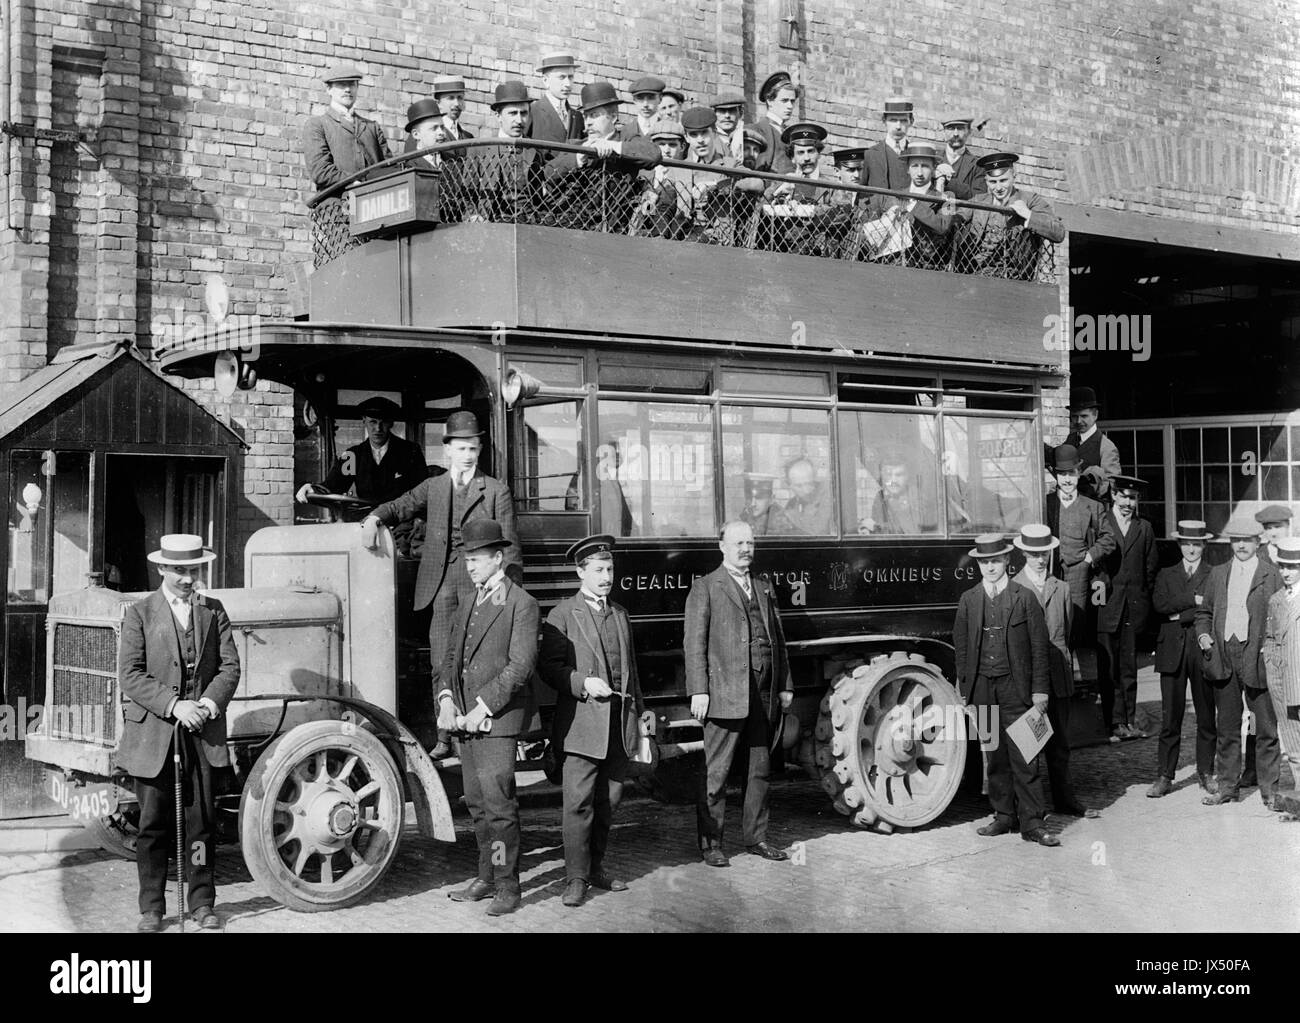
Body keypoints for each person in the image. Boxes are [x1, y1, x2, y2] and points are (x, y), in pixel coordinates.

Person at [362, 410, 521, 758]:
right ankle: (444, 734)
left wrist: (505, 599)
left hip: (481, 592)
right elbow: (401, 506)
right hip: (441, 588)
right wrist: (374, 518)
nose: (467, 456)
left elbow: (511, 553)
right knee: (441, 664)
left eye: (473, 449)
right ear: (447, 450)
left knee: (474, 666)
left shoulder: (495, 492)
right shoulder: (434, 487)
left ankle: (469, 745)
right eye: (461, 449)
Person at [116, 534, 240, 931]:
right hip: (154, 734)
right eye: (180, 571)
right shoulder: (140, 613)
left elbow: (229, 668)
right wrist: (174, 705)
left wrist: (205, 704)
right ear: (162, 570)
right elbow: (130, 675)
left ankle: (202, 903)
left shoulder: (214, 611)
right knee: (152, 825)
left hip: (201, 733)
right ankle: (151, 908)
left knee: (201, 823)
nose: (188, 579)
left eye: (193, 571)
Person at [540, 535, 653, 906]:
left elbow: (632, 674)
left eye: (610, 569)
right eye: (599, 570)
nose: (606, 576)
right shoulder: (561, 614)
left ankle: (596, 870)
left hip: (619, 727)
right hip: (581, 728)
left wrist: (641, 717)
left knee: (610, 801)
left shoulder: (620, 614)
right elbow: (550, 668)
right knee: (578, 805)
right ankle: (575, 879)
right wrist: (582, 682)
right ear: (580, 572)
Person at [436, 519, 539, 916]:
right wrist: (446, 698)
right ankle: (486, 875)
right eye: (468, 560)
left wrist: (481, 707)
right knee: (477, 804)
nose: (471, 567)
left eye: (477, 560)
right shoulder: (470, 600)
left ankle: (508, 887)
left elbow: (519, 667)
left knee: (499, 808)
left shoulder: (521, 604)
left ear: (498, 558)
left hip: (496, 722)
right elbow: (450, 658)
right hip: (464, 721)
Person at [686, 521, 794, 865]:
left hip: (762, 694)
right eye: (738, 544)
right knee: (716, 775)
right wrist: (699, 691)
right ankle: (712, 845)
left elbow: (778, 640)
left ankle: (756, 839)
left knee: (758, 771)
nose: (745, 549)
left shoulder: (763, 587)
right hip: (723, 695)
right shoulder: (706, 587)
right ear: (722, 547)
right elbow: (694, 644)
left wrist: (785, 685)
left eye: (750, 543)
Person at [952, 534, 1058, 847]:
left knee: (1026, 755)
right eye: (984, 562)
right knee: (994, 757)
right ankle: (1003, 816)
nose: (990, 567)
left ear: (1006, 561)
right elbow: (961, 646)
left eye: (995, 561)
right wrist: (966, 688)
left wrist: (1040, 690)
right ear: (978, 565)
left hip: (1018, 689)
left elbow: (1040, 648)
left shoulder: (1024, 597)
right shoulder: (969, 600)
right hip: (982, 688)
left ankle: (1033, 823)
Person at [1195, 517, 1284, 807]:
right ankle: (1227, 788)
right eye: (1236, 540)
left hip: (1257, 657)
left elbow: (1281, 616)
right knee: (1228, 727)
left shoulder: (1271, 574)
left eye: (1247, 540)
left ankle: (1269, 789)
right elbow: (1204, 614)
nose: (1242, 545)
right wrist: (1204, 637)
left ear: (1258, 542)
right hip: (1224, 655)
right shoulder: (1219, 573)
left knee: (1265, 728)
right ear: (1230, 543)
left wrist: (1270, 647)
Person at [1012, 524, 1095, 818]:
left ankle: (1065, 800)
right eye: (1033, 554)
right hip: (1028, 679)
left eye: (1044, 553)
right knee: (1029, 745)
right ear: (1024, 553)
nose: (1039, 559)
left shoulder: (1061, 588)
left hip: (1058, 676)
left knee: (1060, 745)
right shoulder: (1014, 589)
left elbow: (1067, 632)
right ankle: (1031, 807)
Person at [1148, 521, 1217, 797]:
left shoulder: (1213, 574)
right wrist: (1193, 599)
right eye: (1186, 543)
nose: (1191, 548)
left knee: (1205, 717)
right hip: (1171, 654)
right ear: (1179, 545)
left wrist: (1180, 614)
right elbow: (1159, 606)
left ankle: (1206, 773)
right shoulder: (1166, 573)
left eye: (1196, 543)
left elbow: (1211, 608)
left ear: (1204, 545)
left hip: (1201, 652)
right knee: (1170, 719)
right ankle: (1165, 776)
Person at [301, 64, 392, 266]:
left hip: (376, 211)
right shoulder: (318, 125)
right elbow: (320, 171)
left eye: (352, 84)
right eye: (341, 85)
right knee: (348, 266)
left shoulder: (371, 127)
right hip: (339, 212)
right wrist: (357, 183)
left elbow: (388, 168)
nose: (348, 90)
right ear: (329, 89)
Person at [544, 81, 662, 234]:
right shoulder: (576, 144)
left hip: (616, 227)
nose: (588, 123)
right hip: (575, 226)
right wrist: (579, 157)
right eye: (586, 116)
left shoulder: (626, 139)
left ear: (613, 117)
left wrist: (612, 146)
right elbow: (548, 173)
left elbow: (653, 154)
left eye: (594, 116)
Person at [1094, 474, 1159, 740]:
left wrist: (1145, 604)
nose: (1127, 503)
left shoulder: (1144, 528)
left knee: (1128, 668)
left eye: (1132, 498)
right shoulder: (1101, 523)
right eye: (1123, 496)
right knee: (1108, 668)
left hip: (1133, 608)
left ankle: (1128, 721)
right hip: (1106, 606)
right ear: (1113, 496)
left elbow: (1150, 569)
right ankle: (1111, 722)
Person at [295, 396, 430, 515]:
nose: (378, 428)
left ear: (391, 423)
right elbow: (333, 485)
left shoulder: (410, 451)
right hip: (365, 520)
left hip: (401, 523)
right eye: (373, 422)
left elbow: (421, 494)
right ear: (364, 420)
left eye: (383, 422)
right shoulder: (352, 456)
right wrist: (311, 488)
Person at [1045, 443, 1116, 666]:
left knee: (1074, 624)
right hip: (1052, 573)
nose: (1067, 479)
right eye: (1062, 474)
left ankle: (1068, 675)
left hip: (1079, 574)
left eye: (1071, 473)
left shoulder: (1093, 506)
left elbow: (1109, 539)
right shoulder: (1046, 504)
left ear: (1078, 473)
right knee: (1051, 625)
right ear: (1056, 475)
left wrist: (1088, 558)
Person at [956, 152, 1065, 280]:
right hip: (973, 272)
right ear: (986, 181)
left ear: (1014, 177)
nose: (998, 187)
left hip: (1013, 277)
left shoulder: (1030, 200)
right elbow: (952, 217)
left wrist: (1028, 214)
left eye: (1003, 180)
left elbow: (1058, 232)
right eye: (993, 182)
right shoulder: (978, 201)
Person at [858, 141, 957, 268]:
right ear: (908, 169)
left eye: (925, 166)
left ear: (933, 169)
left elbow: (943, 226)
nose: (920, 172)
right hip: (891, 262)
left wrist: (913, 205)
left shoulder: (948, 198)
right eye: (915, 166)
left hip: (926, 265)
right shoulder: (895, 195)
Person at [461, 80, 542, 223]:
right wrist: (473, 215)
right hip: (490, 224)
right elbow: (466, 195)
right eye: (512, 113)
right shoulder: (478, 149)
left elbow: (539, 197)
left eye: (523, 113)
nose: (519, 120)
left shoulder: (533, 150)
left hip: (527, 226)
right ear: (498, 116)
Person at [1263, 536, 1300, 816]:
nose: (1287, 572)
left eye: (1294, 566)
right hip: (1281, 680)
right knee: (1291, 739)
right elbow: (1271, 638)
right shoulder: (1276, 599)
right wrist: (1271, 665)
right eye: (1283, 566)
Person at [1062, 387, 1123, 502]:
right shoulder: (1070, 439)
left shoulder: (1106, 447)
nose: (1079, 421)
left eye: (1084, 416)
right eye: (1075, 416)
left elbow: (1113, 486)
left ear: (1095, 415)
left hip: (1093, 510)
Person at [862, 453, 937, 535]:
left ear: (907, 476)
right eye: (888, 475)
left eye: (899, 475)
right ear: (882, 476)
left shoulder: (917, 498)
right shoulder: (880, 496)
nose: (893, 480)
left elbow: (913, 533)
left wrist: (878, 527)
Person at [528, 52, 585, 146]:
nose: (568, 84)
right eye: (561, 77)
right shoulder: (533, 111)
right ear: (546, 80)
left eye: (570, 77)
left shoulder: (577, 117)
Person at [748, 71, 797, 174]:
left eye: (792, 101)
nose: (790, 106)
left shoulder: (793, 135)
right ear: (770, 101)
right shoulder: (755, 130)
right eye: (784, 100)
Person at [861, 98, 914, 191]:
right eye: (893, 120)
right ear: (884, 120)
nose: (898, 126)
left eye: (903, 120)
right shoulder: (870, 155)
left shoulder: (916, 155)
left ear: (911, 121)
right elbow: (860, 192)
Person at [933, 115, 986, 200]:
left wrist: (949, 181)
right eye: (951, 128)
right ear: (943, 132)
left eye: (960, 128)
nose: (956, 134)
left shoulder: (978, 166)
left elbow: (979, 198)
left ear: (968, 132)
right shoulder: (933, 160)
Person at [782, 456, 835, 534]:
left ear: (814, 478)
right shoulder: (791, 505)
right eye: (799, 486)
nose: (806, 491)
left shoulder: (829, 496)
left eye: (809, 484)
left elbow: (818, 532)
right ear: (789, 485)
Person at [620, 75, 665, 141]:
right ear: (634, 100)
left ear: (660, 99)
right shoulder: (624, 132)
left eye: (651, 98)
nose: (645, 104)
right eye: (640, 98)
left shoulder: (668, 130)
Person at [710, 92, 746, 160]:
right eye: (722, 111)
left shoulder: (745, 136)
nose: (727, 116)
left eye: (732, 111)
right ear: (714, 114)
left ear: (740, 113)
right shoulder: (708, 137)